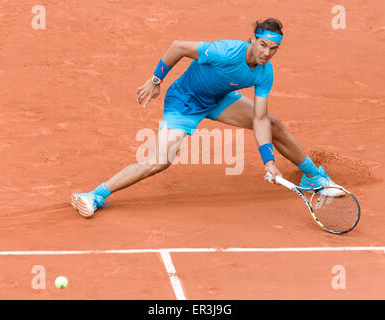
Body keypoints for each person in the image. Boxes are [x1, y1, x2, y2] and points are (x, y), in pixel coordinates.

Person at [71, 18, 339, 218]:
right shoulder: (224, 51)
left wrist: (268, 162)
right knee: (159, 161)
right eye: (263, 45)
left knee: (273, 123)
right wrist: (155, 80)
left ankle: (314, 177)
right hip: (184, 103)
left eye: (273, 49)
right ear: (253, 40)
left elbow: (259, 118)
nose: (267, 53)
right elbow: (178, 47)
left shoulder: (264, 72)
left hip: (219, 99)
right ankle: (96, 195)